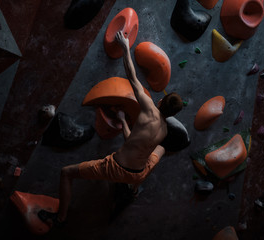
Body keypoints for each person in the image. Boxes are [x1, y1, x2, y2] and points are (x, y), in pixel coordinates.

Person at [38, 31, 183, 227]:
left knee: (66, 172)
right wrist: (123, 121)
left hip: (115, 169)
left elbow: (132, 78)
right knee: (161, 149)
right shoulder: (164, 131)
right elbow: (133, 143)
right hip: (137, 173)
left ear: (160, 100)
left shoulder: (149, 107)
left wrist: (125, 47)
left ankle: (60, 218)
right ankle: (132, 190)